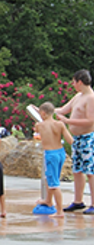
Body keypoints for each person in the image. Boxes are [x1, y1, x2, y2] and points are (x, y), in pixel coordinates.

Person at [55, 70, 94, 214]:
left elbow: (90, 120)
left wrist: (68, 121)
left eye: (73, 82)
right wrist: (44, 110)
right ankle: (78, 201)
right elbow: (63, 109)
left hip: (88, 138)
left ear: (80, 81)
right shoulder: (78, 96)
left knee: (90, 171)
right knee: (77, 170)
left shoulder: (91, 98)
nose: (72, 85)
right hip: (77, 139)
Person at [35, 102, 73, 217]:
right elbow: (70, 140)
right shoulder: (60, 124)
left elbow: (36, 134)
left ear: (43, 113)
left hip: (50, 154)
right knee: (51, 178)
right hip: (61, 153)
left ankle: (60, 211)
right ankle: (48, 200)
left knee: (54, 183)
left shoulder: (39, 125)